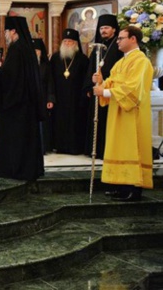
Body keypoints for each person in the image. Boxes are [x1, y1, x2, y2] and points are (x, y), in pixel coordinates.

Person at [93, 26, 153, 201]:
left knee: (131, 148)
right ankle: (120, 184)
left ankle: (134, 188)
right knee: (118, 147)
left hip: (132, 114)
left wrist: (103, 92)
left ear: (133, 39)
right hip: (118, 111)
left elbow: (133, 89)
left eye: (121, 38)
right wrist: (101, 83)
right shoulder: (121, 62)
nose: (117, 41)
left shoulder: (141, 61)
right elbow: (113, 82)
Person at [0, 16, 44, 181]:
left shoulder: (16, 49)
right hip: (26, 106)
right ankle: (28, 168)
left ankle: (13, 169)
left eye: (6, 31)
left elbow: (10, 78)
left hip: (15, 107)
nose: (6, 35)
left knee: (15, 140)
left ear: (13, 31)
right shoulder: (27, 48)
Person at [82, 14, 124, 159]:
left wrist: (105, 82)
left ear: (114, 29)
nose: (103, 31)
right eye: (101, 28)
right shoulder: (97, 47)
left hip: (110, 91)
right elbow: (90, 68)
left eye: (106, 28)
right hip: (97, 90)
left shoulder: (119, 47)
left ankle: (106, 150)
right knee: (95, 119)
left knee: (107, 121)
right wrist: (89, 86)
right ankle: (94, 149)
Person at [49, 29, 89, 154]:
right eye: (65, 41)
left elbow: (86, 79)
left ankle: (75, 147)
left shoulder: (83, 59)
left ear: (76, 43)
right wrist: (51, 97)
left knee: (75, 123)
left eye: (70, 41)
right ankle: (60, 146)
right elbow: (50, 79)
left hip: (76, 98)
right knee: (59, 122)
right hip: (59, 97)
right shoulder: (55, 58)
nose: (67, 44)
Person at [32, 38, 55, 154]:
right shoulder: (26, 66)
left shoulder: (46, 66)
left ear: (41, 52)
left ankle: (42, 148)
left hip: (42, 99)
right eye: (33, 50)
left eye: (37, 50)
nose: (35, 52)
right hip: (29, 100)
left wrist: (50, 99)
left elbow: (50, 83)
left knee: (42, 124)